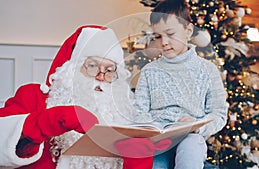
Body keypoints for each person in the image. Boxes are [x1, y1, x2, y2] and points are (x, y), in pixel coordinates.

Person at [0, 25, 161, 169]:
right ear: (71, 68)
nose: (101, 76)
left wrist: (138, 160)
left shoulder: (129, 114)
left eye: (109, 70)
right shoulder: (33, 96)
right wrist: (48, 120)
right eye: (92, 66)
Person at [133, 0, 228, 169]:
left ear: (188, 30)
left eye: (170, 34)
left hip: (191, 136)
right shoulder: (149, 71)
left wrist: (197, 127)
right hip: (158, 140)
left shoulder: (207, 70)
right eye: (158, 36)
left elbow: (219, 113)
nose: (164, 42)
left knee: (191, 151)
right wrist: (152, 129)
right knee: (154, 165)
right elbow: (139, 111)